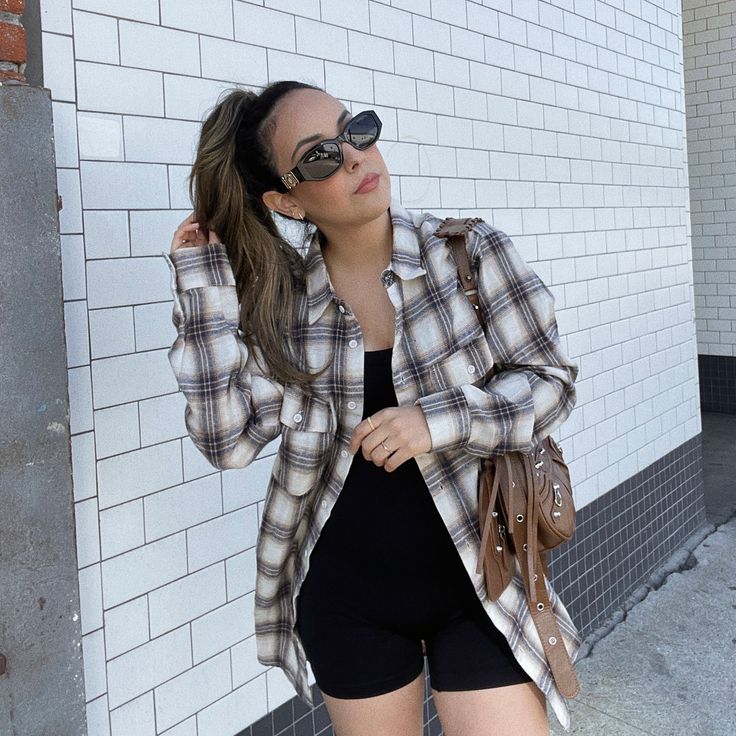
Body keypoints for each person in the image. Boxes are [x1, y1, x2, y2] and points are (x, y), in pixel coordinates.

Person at [162, 80, 582, 736]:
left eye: (354, 129)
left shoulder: (468, 253)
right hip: (347, 600)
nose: (356, 156)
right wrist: (202, 284)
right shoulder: (285, 306)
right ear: (287, 202)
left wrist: (439, 420)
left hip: (482, 576)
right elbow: (229, 441)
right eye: (322, 156)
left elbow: (552, 382)